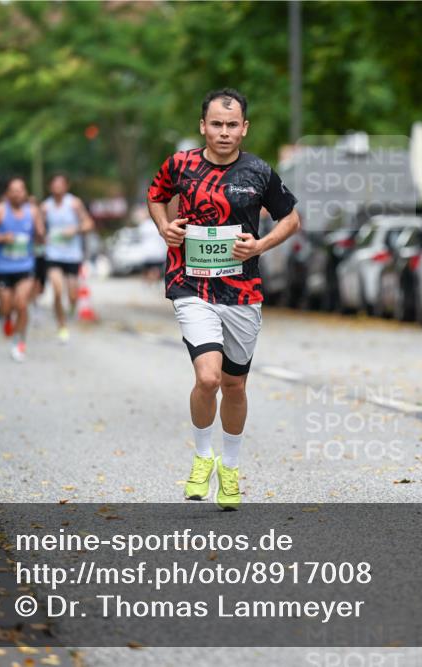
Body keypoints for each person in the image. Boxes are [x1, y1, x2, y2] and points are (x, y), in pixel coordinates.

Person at [147, 88, 300, 510]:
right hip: (190, 284)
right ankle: (202, 457)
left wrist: (261, 245)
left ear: (244, 128)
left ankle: (229, 468)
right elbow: (156, 196)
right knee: (209, 378)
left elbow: (292, 217)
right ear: (203, 126)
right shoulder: (180, 165)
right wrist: (165, 228)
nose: (224, 132)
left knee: (234, 385)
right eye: (216, 124)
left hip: (242, 292)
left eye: (232, 125)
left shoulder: (259, 172)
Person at [0, 177, 43, 362]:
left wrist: (40, 233)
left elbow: (41, 236)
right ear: (8, 193)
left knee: (21, 304)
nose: (17, 193)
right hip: (3, 267)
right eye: (13, 190)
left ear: (25, 192)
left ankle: (19, 341)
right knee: (6, 305)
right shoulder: (0, 211)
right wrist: (1, 240)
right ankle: (4, 316)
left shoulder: (32, 211)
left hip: (25, 266)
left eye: (20, 190)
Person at [41, 173, 95, 343]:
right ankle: (62, 326)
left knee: (72, 296)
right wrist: (41, 236)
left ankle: (70, 308)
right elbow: (39, 229)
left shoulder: (74, 203)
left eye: (60, 184)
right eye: (54, 184)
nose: (57, 187)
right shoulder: (45, 207)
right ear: (50, 187)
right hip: (53, 254)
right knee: (57, 290)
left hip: (72, 256)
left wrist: (76, 229)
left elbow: (89, 224)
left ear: (66, 186)